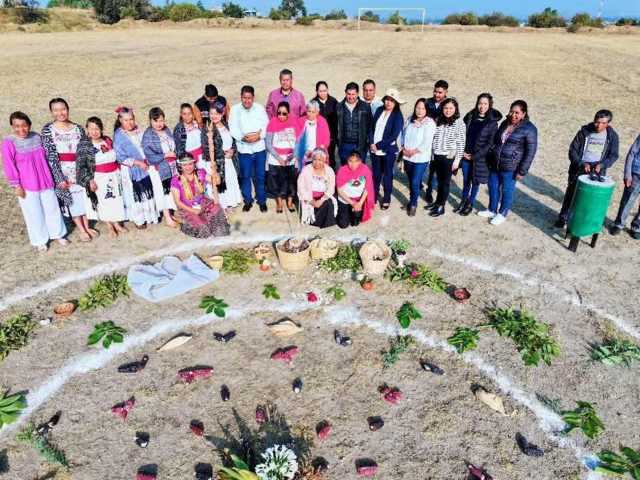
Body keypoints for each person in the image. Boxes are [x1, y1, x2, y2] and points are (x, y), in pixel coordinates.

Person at [2, 111, 68, 251]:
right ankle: (40, 240)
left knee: (52, 209)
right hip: (27, 185)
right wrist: (16, 185)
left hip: (45, 181)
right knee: (33, 213)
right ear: (12, 126)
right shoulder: (8, 143)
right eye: (17, 126)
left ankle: (57, 234)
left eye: (24, 125)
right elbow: (9, 165)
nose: (21, 129)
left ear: (29, 125)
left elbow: (48, 158)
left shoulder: (37, 137)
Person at [41, 97, 96, 242]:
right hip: (63, 172)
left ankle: (87, 225)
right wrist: (59, 178)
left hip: (79, 169)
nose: (60, 113)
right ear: (51, 112)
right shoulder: (48, 130)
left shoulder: (78, 128)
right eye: (56, 110)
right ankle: (81, 229)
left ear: (68, 109)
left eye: (63, 109)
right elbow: (50, 156)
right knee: (73, 201)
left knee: (84, 199)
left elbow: (85, 150)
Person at [555, 110, 619, 228]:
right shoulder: (584, 132)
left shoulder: (612, 137)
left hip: (598, 170)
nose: (598, 125)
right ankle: (563, 217)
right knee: (571, 194)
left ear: (608, 124)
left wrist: (602, 165)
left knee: (589, 198)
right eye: (597, 122)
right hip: (579, 168)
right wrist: (581, 163)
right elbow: (572, 150)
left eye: (603, 123)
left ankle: (581, 222)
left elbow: (613, 155)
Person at [479, 100, 538, 226]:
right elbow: (497, 141)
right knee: (493, 186)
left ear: (523, 114)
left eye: (517, 113)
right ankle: (491, 209)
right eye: (512, 111)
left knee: (507, 190)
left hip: (511, 166)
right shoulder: (505, 123)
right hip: (495, 163)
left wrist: (522, 171)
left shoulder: (530, 129)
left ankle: (502, 213)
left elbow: (530, 152)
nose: (513, 115)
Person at [76, 116, 127, 238]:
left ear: (101, 129)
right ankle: (109, 225)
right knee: (104, 201)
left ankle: (116, 223)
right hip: (99, 177)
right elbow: (81, 165)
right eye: (91, 129)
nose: (94, 132)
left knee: (116, 200)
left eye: (97, 129)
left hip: (114, 174)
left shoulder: (107, 140)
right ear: (87, 130)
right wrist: (90, 180)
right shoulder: (84, 145)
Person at [113, 106, 157, 229]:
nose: (129, 122)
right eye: (126, 120)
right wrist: (137, 162)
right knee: (136, 194)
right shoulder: (119, 136)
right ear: (120, 120)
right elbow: (120, 157)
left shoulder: (138, 130)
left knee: (147, 190)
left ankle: (150, 215)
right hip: (131, 169)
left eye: (131, 119)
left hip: (145, 165)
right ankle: (139, 219)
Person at [459, 94, 503, 216]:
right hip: (465, 155)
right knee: (466, 180)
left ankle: (470, 203)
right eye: (480, 103)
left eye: (485, 104)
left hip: (479, 158)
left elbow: (490, 143)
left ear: (489, 105)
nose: (482, 106)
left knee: (475, 181)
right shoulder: (470, 117)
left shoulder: (492, 123)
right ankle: (463, 201)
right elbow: (463, 135)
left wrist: (474, 156)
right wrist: (462, 151)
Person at [229, 85, 269, 212]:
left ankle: (262, 200)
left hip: (259, 148)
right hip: (244, 148)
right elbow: (232, 127)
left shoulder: (259, 108)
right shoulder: (235, 109)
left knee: (260, 176)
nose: (247, 101)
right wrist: (243, 138)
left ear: (253, 97)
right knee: (245, 176)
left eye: (249, 98)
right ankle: (248, 201)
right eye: (244, 98)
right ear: (241, 97)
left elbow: (266, 125)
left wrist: (258, 136)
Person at [170, 154, 230, 238]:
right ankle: (183, 225)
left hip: (203, 203)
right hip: (187, 208)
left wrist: (215, 170)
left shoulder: (201, 173)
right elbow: (178, 202)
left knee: (220, 227)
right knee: (204, 232)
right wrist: (193, 210)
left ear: (194, 164)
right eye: (184, 165)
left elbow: (217, 182)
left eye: (190, 164)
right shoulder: (175, 180)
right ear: (180, 166)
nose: (188, 167)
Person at [428, 98, 466, 217]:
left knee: (445, 183)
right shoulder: (439, 120)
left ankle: (441, 206)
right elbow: (434, 139)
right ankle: (437, 202)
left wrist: (457, 160)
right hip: (437, 156)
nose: (448, 111)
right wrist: (432, 155)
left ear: (455, 109)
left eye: (451, 108)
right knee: (439, 181)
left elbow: (461, 143)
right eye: (446, 108)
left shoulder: (459, 123)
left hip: (449, 157)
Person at [142, 107, 178, 228]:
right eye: (156, 121)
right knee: (162, 192)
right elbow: (149, 155)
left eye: (161, 120)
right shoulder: (148, 135)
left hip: (171, 165)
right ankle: (167, 217)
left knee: (172, 189)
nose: (159, 124)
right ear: (150, 121)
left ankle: (171, 213)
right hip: (159, 168)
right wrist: (165, 155)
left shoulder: (166, 130)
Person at [203, 100, 242, 211]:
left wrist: (232, 151)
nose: (214, 116)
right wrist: (223, 154)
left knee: (230, 180)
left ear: (222, 113)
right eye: (211, 113)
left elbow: (233, 141)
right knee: (220, 182)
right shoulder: (207, 128)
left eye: (217, 113)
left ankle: (230, 202)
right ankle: (222, 205)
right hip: (217, 162)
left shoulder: (226, 125)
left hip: (229, 160)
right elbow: (206, 149)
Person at [369, 88, 405, 210]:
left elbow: (393, 136)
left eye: (392, 100)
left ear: (396, 103)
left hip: (388, 151)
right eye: (387, 99)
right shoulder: (379, 110)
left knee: (387, 175)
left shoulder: (398, 116)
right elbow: (372, 127)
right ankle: (374, 195)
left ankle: (386, 198)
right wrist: (371, 142)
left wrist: (378, 145)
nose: (388, 102)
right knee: (376, 175)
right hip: (374, 150)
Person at [401, 98, 436, 216]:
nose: (420, 111)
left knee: (415, 181)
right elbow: (403, 134)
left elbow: (427, 141)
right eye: (418, 108)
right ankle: (412, 199)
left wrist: (414, 151)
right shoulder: (409, 119)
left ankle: (413, 204)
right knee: (411, 180)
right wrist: (403, 148)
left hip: (420, 158)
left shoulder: (429, 123)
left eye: (423, 108)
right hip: (407, 156)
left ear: (427, 110)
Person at [265, 101, 298, 213]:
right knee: (276, 181)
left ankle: (290, 201)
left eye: (284, 113)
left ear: (289, 113)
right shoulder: (272, 123)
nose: (281, 116)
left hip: (290, 158)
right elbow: (268, 144)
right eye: (279, 113)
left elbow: (298, 142)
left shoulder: (294, 123)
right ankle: (279, 202)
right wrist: (279, 159)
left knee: (291, 181)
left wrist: (292, 156)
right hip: (275, 158)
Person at [609, 133, 640, 239]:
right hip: (636, 173)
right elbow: (632, 153)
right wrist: (628, 174)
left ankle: (637, 226)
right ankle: (619, 224)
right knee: (627, 200)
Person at [297, 148, 337, 228]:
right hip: (309, 197)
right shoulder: (306, 170)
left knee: (328, 204)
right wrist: (311, 200)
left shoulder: (329, 170)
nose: (317, 162)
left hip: (323, 197)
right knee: (310, 210)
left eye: (320, 160)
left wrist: (321, 200)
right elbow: (301, 187)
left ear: (324, 160)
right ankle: (313, 221)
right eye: (315, 159)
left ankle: (325, 225)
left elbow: (331, 188)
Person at [424, 80, 449, 205]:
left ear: (445, 92)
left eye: (440, 92)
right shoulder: (427, 102)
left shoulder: (448, 104)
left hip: (440, 141)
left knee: (435, 169)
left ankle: (430, 191)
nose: (437, 94)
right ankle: (424, 187)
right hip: (427, 138)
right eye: (435, 91)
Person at [336, 82, 373, 165]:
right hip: (344, 144)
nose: (351, 97)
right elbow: (335, 126)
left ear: (357, 94)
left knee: (360, 168)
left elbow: (370, 126)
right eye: (349, 94)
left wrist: (369, 142)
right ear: (345, 93)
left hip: (360, 145)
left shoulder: (365, 107)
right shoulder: (339, 107)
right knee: (345, 167)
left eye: (353, 94)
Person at [336, 152, 375, 228]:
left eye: (356, 161)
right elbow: (339, 191)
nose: (353, 164)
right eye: (350, 161)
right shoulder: (342, 170)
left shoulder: (365, 169)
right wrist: (352, 203)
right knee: (343, 225)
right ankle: (341, 210)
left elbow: (368, 188)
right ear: (347, 160)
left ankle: (353, 212)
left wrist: (360, 203)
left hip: (359, 200)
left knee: (355, 222)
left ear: (360, 161)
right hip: (345, 199)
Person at [294, 100, 330, 170]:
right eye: (309, 111)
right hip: (304, 154)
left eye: (313, 112)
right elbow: (297, 138)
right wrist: (304, 151)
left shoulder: (322, 121)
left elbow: (326, 139)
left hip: (318, 154)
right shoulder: (300, 121)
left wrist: (316, 152)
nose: (310, 114)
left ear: (317, 112)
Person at [312, 81, 339, 169]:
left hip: (332, 136)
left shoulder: (334, 102)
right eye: (320, 91)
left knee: (331, 157)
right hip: (318, 136)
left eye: (324, 91)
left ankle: (331, 174)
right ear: (317, 91)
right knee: (319, 157)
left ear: (327, 90)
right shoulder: (313, 103)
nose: (323, 93)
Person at [174, 103, 204, 169]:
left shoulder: (196, 124)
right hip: (189, 159)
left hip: (202, 156)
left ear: (193, 113)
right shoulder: (179, 129)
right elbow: (179, 148)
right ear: (181, 114)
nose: (187, 116)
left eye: (189, 113)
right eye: (184, 114)